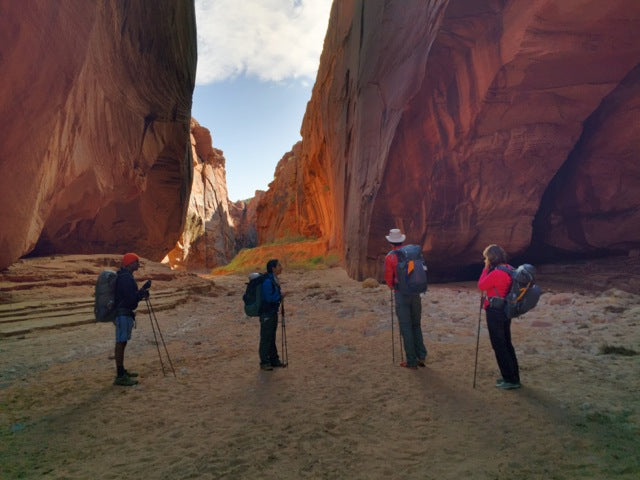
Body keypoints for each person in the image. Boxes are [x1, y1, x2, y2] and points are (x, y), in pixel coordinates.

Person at [477, 244, 521, 390]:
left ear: (491, 258)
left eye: (486, 258)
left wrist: (485, 269)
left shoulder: (496, 273)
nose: (485, 260)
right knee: (507, 343)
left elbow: (481, 285)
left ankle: (510, 380)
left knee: (499, 345)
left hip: (495, 311)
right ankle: (513, 376)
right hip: (505, 310)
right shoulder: (509, 268)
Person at [384, 228, 427, 369]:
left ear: (391, 242)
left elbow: (388, 279)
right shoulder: (411, 253)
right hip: (415, 293)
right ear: (402, 241)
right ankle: (421, 356)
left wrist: (393, 286)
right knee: (416, 325)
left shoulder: (390, 257)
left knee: (406, 327)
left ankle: (411, 361)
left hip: (401, 294)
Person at [113, 253, 150, 386]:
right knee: (121, 342)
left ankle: (122, 371)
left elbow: (130, 297)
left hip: (123, 313)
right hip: (123, 313)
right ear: (130, 263)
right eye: (136, 262)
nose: (138, 265)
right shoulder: (126, 278)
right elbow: (131, 300)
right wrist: (141, 293)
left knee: (122, 342)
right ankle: (120, 376)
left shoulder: (124, 276)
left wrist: (141, 291)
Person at [259, 259, 286, 370]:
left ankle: (274, 360)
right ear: (273, 268)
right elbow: (269, 298)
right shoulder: (267, 281)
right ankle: (264, 362)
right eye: (279, 265)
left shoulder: (273, 279)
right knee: (266, 338)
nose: (281, 267)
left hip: (272, 312)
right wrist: (280, 296)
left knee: (271, 337)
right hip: (267, 313)